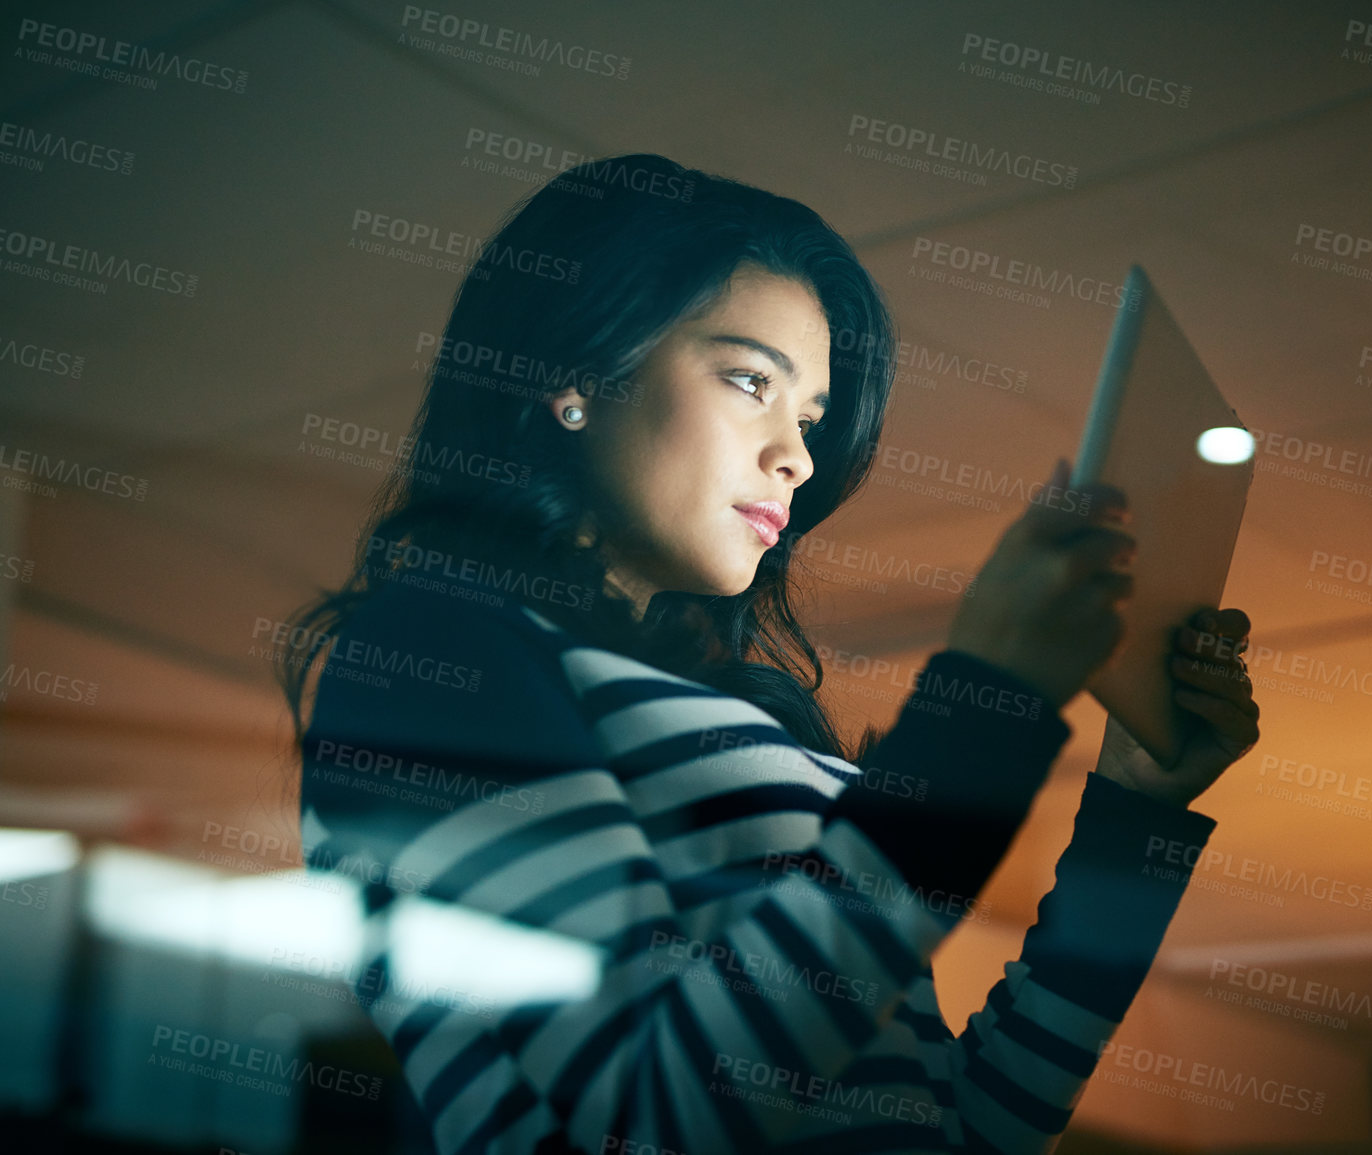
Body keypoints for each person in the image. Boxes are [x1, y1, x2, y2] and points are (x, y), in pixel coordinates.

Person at [277, 153, 1260, 1155]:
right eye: (751, 381)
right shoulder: (427, 655)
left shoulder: (755, 715)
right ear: (577, 374)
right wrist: (981, 708)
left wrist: (1134, 819)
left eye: (812, 419)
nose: (796, 455)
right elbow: (659, 1104)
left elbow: (967, 1127)